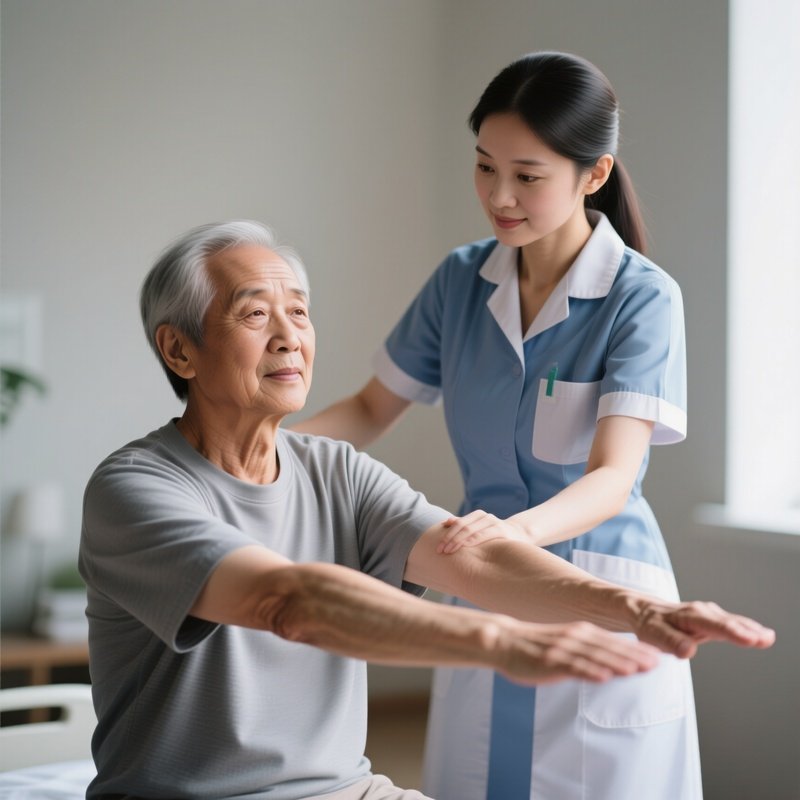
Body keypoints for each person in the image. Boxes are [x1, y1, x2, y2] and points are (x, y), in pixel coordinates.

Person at [78, 220, 774, 800]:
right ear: (180, 349)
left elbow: (465, 553)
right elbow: (286, 600)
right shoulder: (135, 489)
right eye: (256, 314)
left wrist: (635, 610)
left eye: (300, 311)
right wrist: (500, 642)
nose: (290, 335)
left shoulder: (336, 470)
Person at [292, 52, 729, 799]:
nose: (498, 195)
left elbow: (613, 476)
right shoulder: (461, 281)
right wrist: (252, 454)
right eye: (484, 166)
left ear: (593, 174)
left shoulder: (642, 298)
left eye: (527, 176)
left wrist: (515, 533)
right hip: (485, 582)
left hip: (599, 583)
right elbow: (370, 409)